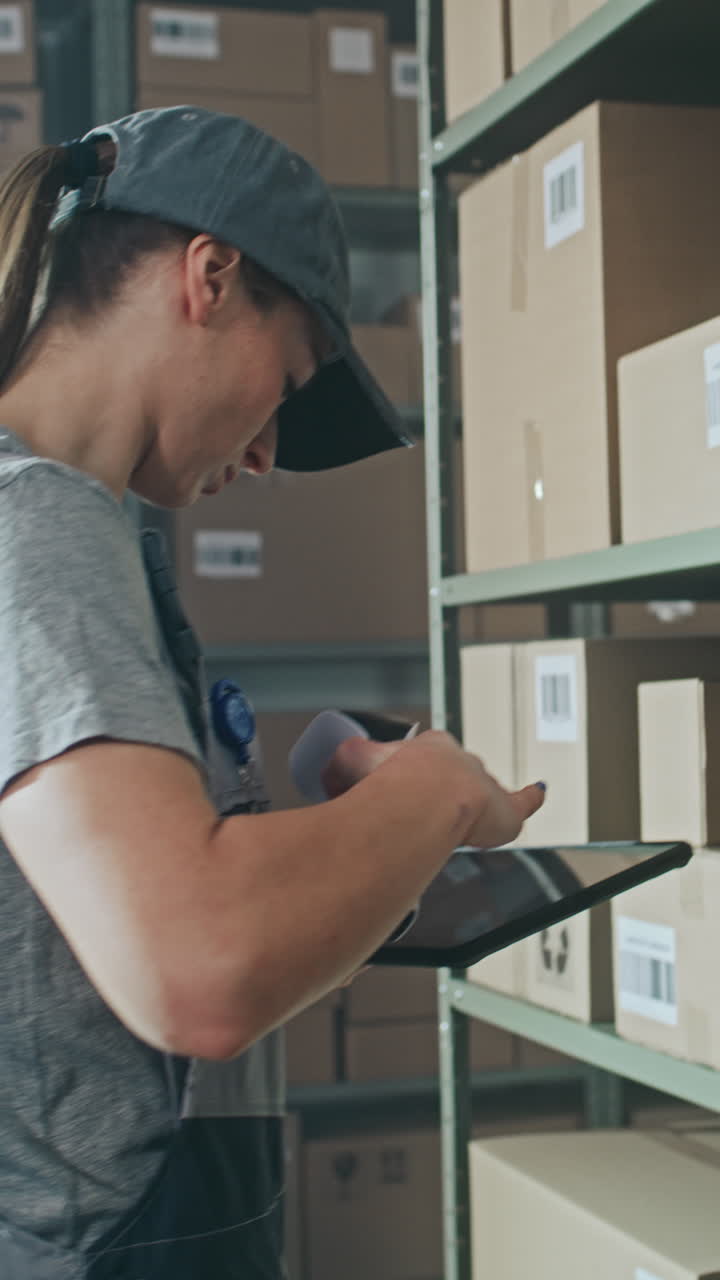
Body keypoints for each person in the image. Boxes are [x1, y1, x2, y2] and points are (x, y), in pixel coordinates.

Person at [0, 106, 545, 1279]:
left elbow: (107, 932)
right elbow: (197, 968)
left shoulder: (80, 532)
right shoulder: (29, 526)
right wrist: (438, 790)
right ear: (209, 275)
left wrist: (350, 837)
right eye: (287, 379)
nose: (262, 454)